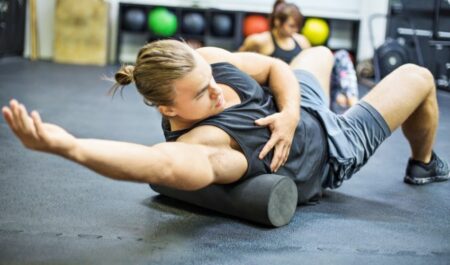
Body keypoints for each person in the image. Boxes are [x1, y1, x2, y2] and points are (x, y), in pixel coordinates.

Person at [2, 40, 449, 205]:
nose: (216, 90)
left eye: (209, 79)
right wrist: (68, 147)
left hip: (299, 107)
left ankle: (321, 101)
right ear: (169, 110)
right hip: (332, 146)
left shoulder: (210, 62)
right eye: (201, 94)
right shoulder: (208, 144)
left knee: (320, 53)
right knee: (418, 77)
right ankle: (423, 163)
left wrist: (289, 113)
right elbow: (157, 165)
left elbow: (276, 69)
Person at [239, 0, 359, 109]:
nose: (294, 30)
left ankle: (352, 103)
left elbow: (315, 69)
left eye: (297, 27)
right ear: (277, 21)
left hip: (305, 89)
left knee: (342, 56)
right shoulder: (260, 41)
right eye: (291, 26)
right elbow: (239, 61)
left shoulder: (301, 41)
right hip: (281, 92)